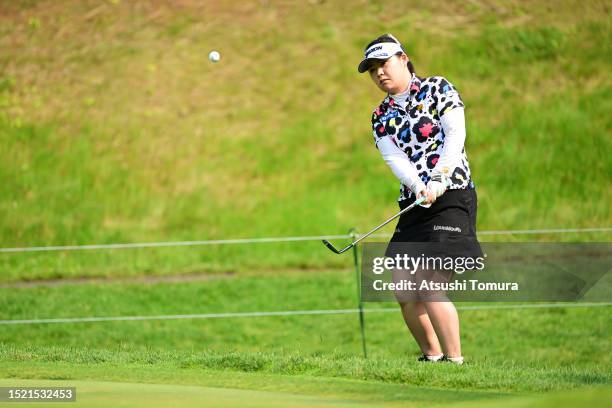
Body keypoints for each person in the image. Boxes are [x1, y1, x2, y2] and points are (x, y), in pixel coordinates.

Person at [358, 34, 483, 365]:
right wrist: (418, 185)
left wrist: (439, 177)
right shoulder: (380, 115)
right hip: (416, 203)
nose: (379, 73)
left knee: (429, 284)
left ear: (403, 58)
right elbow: (394, 157)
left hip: (453, 194)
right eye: (372, 70)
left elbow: (455, 134)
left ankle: (455, 363)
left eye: (383, 64)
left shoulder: (439, 88)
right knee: (403, 289)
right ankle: (432, 358)